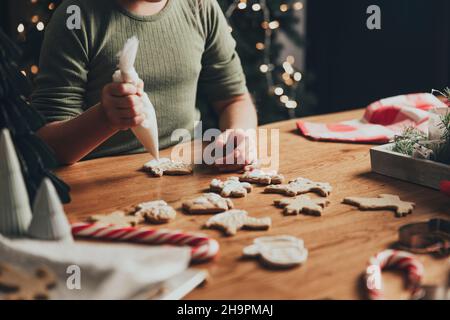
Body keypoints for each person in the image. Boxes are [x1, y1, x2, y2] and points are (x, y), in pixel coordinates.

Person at [33, 0, 257, 171]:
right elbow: (48, 147)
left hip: (185, 171)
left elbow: (235, 99)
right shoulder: (75, 16)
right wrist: (105, 118)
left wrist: (238, 136)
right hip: (101, 182)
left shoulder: (200, 5)